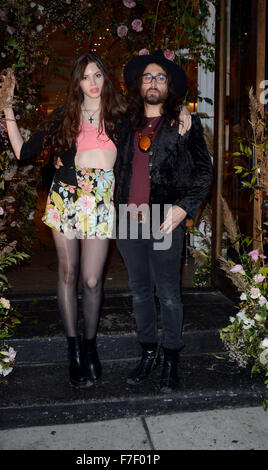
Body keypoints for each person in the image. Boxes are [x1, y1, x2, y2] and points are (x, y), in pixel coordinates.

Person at [1, 53, 126, 388]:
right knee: (68, 274)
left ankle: (90, 345)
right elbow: (22, 151)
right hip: (67, 197)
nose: (93, 83)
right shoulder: (64, 117)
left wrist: (182, 117)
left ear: (106, 78)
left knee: (91, 281)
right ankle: (73, 350)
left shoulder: (120, 116)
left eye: (98, 75)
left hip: (100, 201)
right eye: (86, 77)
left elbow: (152, 132)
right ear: (77, 82)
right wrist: (8, 109)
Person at [115, 49, 213, 392]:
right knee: (140, 292)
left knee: (168, 293)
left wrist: (184, 208)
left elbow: (204, 172)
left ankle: (171, 356)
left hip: (164, 217)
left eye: (160, 77)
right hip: (128, 218)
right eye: (147, 77)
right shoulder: (125, 124)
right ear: (139, 85)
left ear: (168, 85)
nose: (153, 82)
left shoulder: (185, 123)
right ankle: (148, 351)